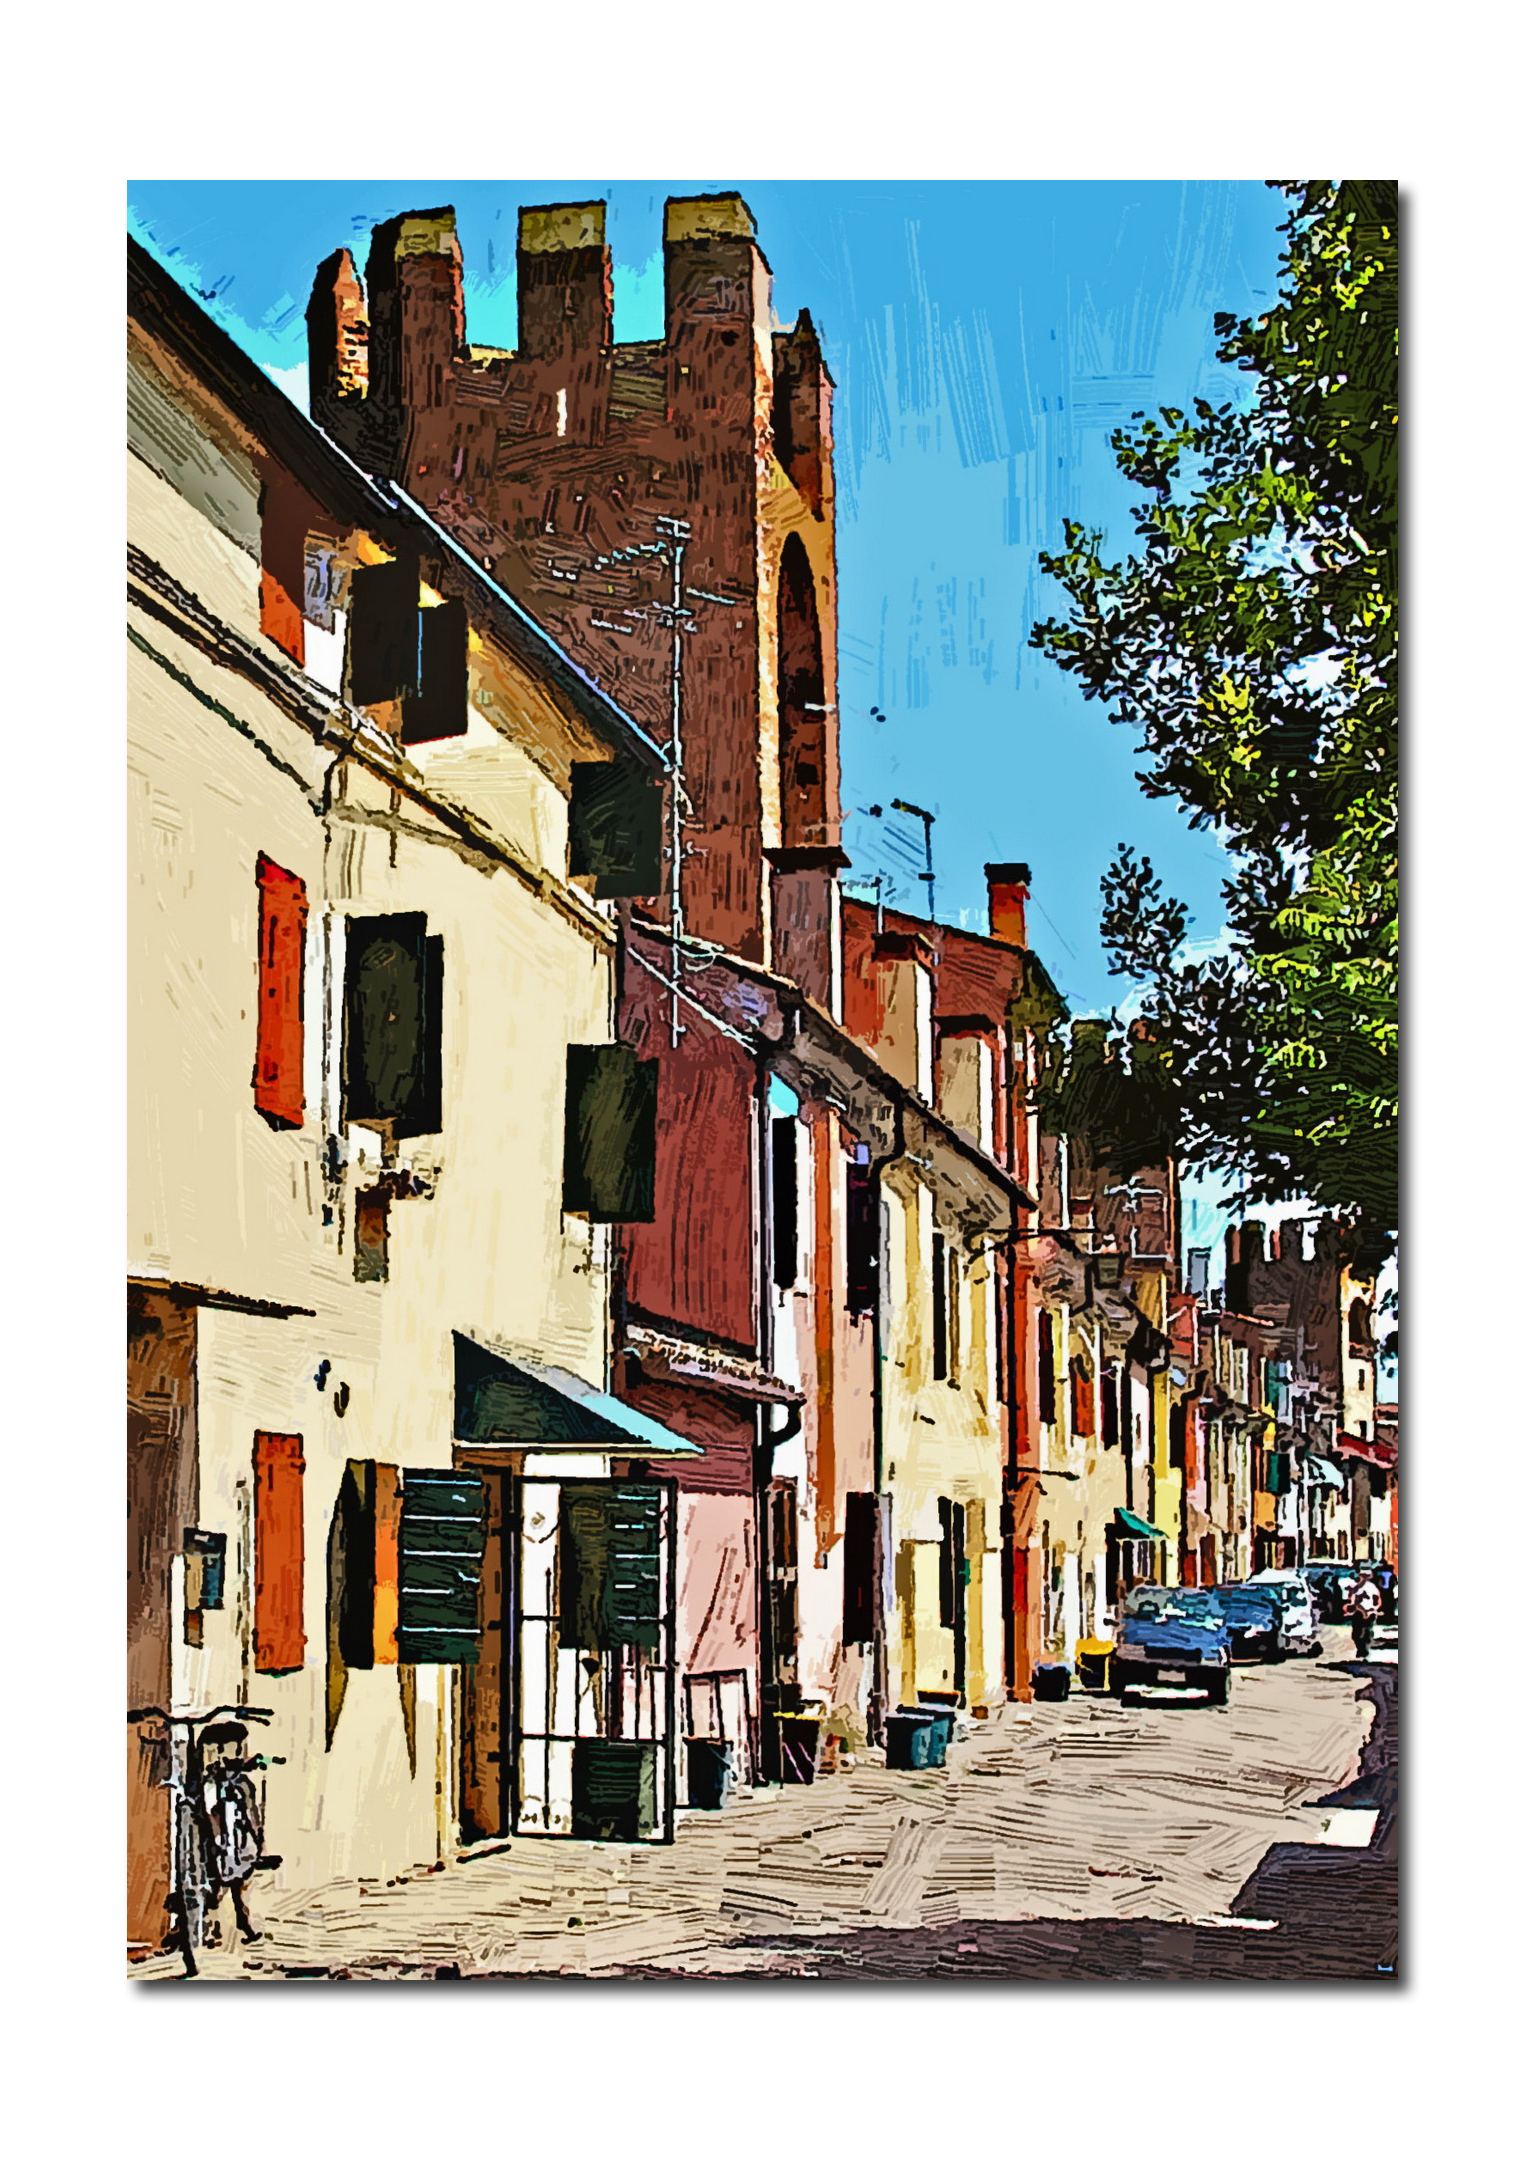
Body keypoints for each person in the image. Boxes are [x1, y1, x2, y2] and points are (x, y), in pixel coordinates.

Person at [1347, 1571, 1383, 1659]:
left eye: (1364, 1576)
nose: (1362, 1577)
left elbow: (1377, 1600)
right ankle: (1360, 1649)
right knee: (1356, 1634)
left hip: (1369, 1612)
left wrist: (1373, 1609)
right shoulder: (1356, 1586)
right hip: (1359, 1612)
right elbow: (1352, 1601)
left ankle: (1363, 1650)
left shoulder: (1371, 1587)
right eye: (1361, 1575)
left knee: (1366, 1632)